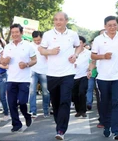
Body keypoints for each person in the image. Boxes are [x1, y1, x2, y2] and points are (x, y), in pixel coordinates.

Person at [39, 12, 82, 140]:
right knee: (56, 102)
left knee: (65, 101)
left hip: (68, 73)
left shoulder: (72, 34)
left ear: (66, 21)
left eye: (61, 20)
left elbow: (79, 46)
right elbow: (41, 50)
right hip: (52, 74)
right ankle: (59, 125)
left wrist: (75, 55)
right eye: (56, 20)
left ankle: (61, 130)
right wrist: (50, 51)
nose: (58, 22)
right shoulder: (47, 34)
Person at [91, 16, 118, 140]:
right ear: (105, 26)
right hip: (103, 77)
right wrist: (103, 56)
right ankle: (107, 125)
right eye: (110, 25)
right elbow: (93, 55)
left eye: (114, 25)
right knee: (105, 103)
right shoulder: (98, 39)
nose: (112, 27)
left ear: (117, 25)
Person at [0, 23, 37, 132]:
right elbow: (3, 61)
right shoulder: (8, 46)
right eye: (13, 33)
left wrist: (26, 64)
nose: (15, 34)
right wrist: (5, 60)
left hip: (24, 80)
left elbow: (34, 60)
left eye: (17, 32)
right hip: (11, 79)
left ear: (21, 33)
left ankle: (27, 115)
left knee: (22, 102)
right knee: (11, 103)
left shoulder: (28, 46)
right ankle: (16, 124)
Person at [29, 31, 50, 118]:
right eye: (35, 40)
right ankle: (33, 111)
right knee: (32, 91)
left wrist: (45, 52)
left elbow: (50, 58)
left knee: (45, 92)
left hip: (44, 71)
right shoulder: (30, 45)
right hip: (33, 70)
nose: (37, 42)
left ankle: (46, 110)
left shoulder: (46, 45)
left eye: (39, 40)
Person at [72, 36, 91, 118]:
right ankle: (78, 110)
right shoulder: (71, 52)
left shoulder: (88, 52)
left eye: (80, 43)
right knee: (74, 95)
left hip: (84, 75)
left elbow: (94, 61)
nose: (78, 45)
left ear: (84, 44)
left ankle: (83, 111)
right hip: (73, 76)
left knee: (82, 92)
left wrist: (89, 69)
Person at [0, 36, 10, 121]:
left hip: (2, 75)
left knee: (2, 95)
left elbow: (7, 66)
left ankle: (6, 113)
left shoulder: (4, 54)